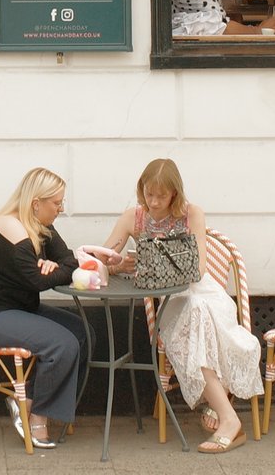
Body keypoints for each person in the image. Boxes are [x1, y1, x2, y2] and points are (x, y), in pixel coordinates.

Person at [97, 158, 261, 454]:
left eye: (161, 196)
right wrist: (119, 265)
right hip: (172, 302)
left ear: (175, 193)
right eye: (148, 194)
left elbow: (198, 270)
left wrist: (153, 261)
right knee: (194, 321)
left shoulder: (192, 214)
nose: (154, 202)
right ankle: (228, 414)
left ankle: (227, 417)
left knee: (198, 312)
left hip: (204, 294)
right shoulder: (133, 218)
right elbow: (103, 259)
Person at [0, 167, 84, 449]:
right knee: (61, 343)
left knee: (82, 332)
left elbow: (70, 261)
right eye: (57, 202)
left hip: (16, 308)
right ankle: (35, 414)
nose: (61, 208)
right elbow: (38, 280)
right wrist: (55, 269)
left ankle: (28, 401)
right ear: (36, 203)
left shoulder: (41, 227)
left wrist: (56, 266)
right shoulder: (9, 226)